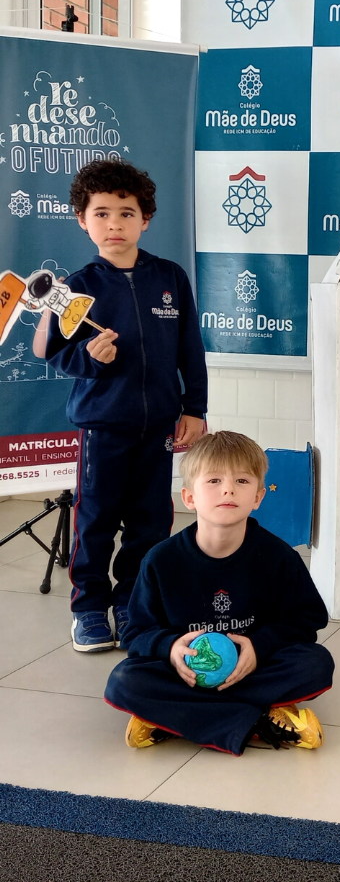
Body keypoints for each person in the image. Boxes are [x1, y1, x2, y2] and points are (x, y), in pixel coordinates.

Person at [45, 158, 208, 653]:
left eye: (126, 213)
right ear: (82, 220)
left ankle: (134, 604)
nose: (113, 224)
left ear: (145, 220)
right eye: (101, 213)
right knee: (95, 521)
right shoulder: (76, 288)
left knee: (151, 523)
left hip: (160, 426)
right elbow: (55, 352)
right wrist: (89, 359)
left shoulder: (170, 277)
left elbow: (190, 350)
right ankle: (89, 609)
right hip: (103, 427)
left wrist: (194, 408)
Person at [104, 431, 335, 754]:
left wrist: (260, 647)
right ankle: (259, 721)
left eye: (242, 480)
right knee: (125, 681)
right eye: (214, 480)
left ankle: (173, 717)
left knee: (316, 664)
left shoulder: (279, 557)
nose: (228, 489)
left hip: (252, 667)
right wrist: (171, 648)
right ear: (189, 498)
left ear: (258, 497)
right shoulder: (161, 560)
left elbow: (308, 619)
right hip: (186, 673)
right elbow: (136, 634)